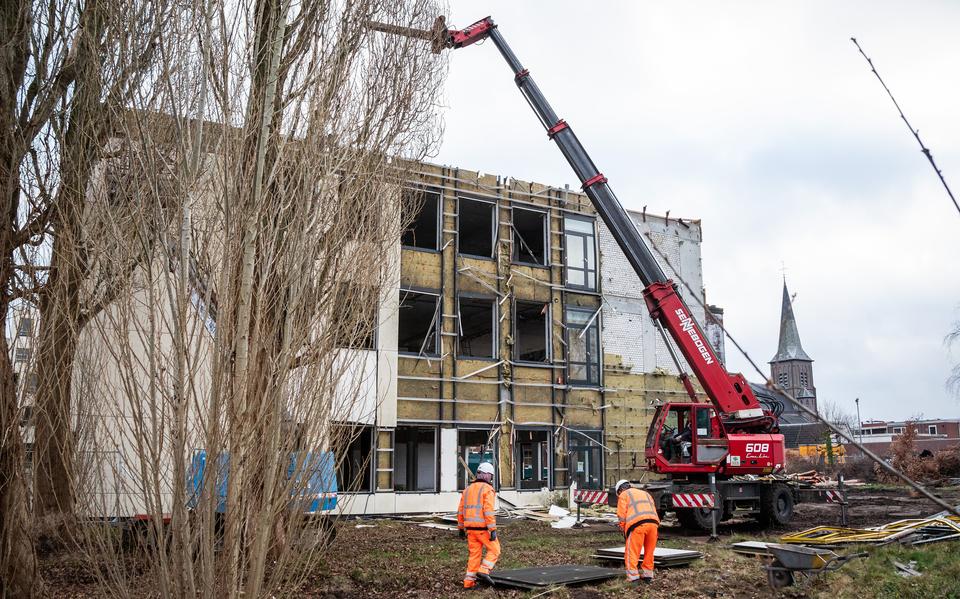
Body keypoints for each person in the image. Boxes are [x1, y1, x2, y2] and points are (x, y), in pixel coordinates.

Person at [457, 461, 500, 589]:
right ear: (487, 475)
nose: (491, 478)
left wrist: (460, 528)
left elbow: (460, 510)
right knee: (495, 550)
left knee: (474, 555)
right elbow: (488, 511)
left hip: (470, 530)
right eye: (491, 475)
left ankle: (469, 583)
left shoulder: (467, 490)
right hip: (483, 530)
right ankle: (484, 570)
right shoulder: (487, 489)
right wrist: (492, 529)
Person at [615, 479, 660, 584]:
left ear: (620, 490)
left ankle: (633, 577)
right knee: (649, 552)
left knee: (632, 552)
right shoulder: (645, 493)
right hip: (653, 524)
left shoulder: (624, 494)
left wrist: (623, 528)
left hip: (637, 525)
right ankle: (647, 576)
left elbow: (622, 515)